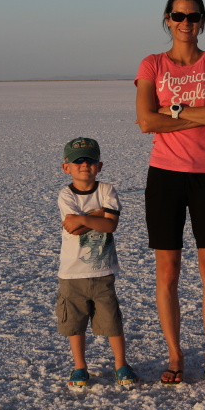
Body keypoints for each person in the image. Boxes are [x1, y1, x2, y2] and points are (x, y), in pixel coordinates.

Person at [135, 0, 205, 384]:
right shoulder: (152, 64)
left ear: (202, 21)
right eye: (178, 16)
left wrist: (173, 111)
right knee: (168, 271)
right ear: (167, 19)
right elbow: (146, 121)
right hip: (165, 176)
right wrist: (199, 112)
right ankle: (175, 355)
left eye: (193, 16)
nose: (185, 23)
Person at [56, 137, 138, 389]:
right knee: (75, 324)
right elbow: (72, 228)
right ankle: (80, 366)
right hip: (72, 274)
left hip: (103, 271)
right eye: (78, 161)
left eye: (90, 160)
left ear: (99, 166)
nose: (85, 165)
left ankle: (121, 363)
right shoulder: (66, 195)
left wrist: (83, 218)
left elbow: (110, 226)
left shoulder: (106, 190)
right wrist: (99, 214)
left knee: (112, 322)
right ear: (66, 167)